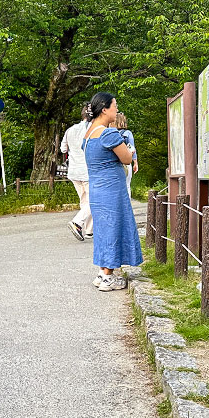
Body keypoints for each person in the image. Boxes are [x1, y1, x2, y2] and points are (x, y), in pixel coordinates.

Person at [81, 92, 143, 291]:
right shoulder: (108, 133)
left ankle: (102, 273)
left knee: (103, 230)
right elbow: (125, 158)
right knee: (113, 229)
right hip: (112, 189)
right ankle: (108, 277)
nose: (116, 109)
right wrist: (130, 151)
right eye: (114, 105)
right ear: (104, 108)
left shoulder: (89, 133)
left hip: (97, 190)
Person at [60, 104, 92, 241]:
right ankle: (77, 222)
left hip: (73, 171)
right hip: (88, 171)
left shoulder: (70, 130)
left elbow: (63, 149)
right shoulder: (92, 129)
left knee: (84, 200)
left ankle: (89, 230)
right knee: (93, 201)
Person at [110, 112, 138, 197]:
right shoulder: (127, 133)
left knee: (114, 187)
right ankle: (126, 206)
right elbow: (132, 148)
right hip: (126, 163)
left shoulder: (109, 133)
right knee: (126, 186)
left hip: (113, 163)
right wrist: (135, 162)